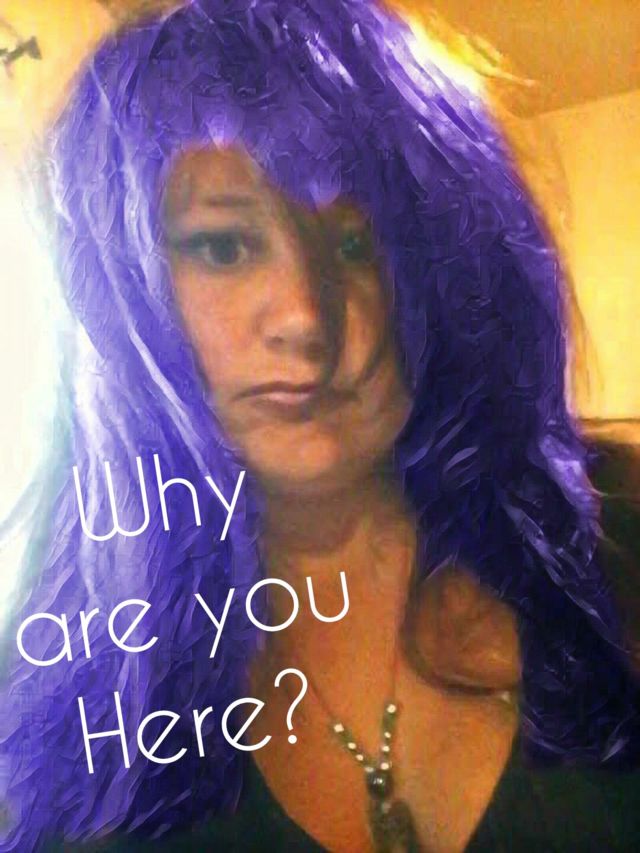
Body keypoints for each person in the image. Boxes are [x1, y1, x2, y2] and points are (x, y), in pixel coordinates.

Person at [0, 1, 638, 851]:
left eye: (355, 246)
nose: (306, 316)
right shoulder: (45, 686)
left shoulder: (617, 540)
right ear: (120, 292)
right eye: (223, 246)